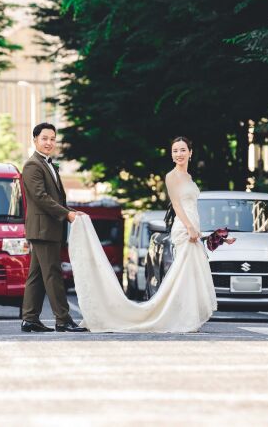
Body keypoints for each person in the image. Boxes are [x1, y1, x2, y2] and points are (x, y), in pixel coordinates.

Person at [67, 136, 227, 332]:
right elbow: (177, 205)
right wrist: (189, 228)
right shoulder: (172, 176)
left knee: (190, 275)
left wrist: (204, 233)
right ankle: (175, 317)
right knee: (183, 274)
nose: (179, 154)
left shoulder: (189, 178)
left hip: (192, 227)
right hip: (184, 228)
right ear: (171, 154)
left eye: (183, 150)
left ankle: (188, 317)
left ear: (190, 153)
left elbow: (192, 206)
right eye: (175, 150)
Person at [20, 123, 88, 333]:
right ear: (35, 140)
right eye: (44, 138)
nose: (49, 143)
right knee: (53, 274)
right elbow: (41, 197)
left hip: (47, 228)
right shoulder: (32, 165)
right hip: (43, 229)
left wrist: (72, 210)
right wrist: (66, 214)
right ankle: (63, 319)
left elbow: (55, 198)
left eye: (52, 139)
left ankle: (30, 318)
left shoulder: (48, 164)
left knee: (38, 275)